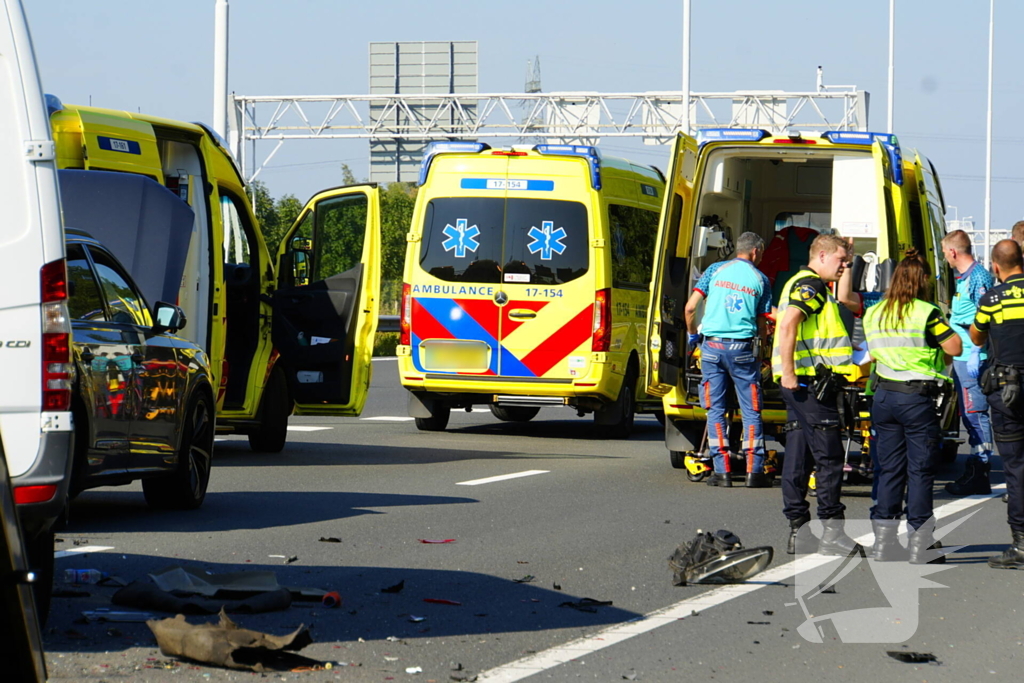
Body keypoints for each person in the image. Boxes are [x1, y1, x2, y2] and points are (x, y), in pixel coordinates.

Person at [863, 250, 961, 563]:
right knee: (920, 470)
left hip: (883, 397)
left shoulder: (875, 312)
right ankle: (921, 545)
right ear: (922, 282)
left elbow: (875, 352)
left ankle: (883, 543)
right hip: (916, 398)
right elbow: (954, 347)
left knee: (889, 470)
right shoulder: (926, 312)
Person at [772, 233, 863, 556]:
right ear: (822, 257)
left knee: (798, 455)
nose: (843, 266)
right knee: (830, 457)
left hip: (802, 385)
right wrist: (789, 372)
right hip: (808, 384)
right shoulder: (809, 287)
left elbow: (843, 296)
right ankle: (831, 531)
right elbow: (788, 325)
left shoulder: (807, 283)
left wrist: (848, 255)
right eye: (840, 261)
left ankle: (799, 529)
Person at [685, 232, 773, 488]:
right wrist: (763, 349)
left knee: (715, 410)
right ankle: (753, 472)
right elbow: (762, 321)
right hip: (743, 349)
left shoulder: (714, 270)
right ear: (755, 252)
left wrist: (693, 336)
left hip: (712, 347)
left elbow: (690, 308)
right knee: (751, 411)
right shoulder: (761, 279)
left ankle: (721, 472)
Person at [969, 240, 1024, 570]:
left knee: (1016, 468)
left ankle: (1021, 543)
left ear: (996, 267)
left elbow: (976, 336)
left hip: (1008, 391)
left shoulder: (992, 298)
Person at [941, 230, 995, 496]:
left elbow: (985, 318)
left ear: (952, 252)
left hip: (973, 359)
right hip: (962, 358)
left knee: (976, 415)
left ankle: (980, 471)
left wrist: (975, 350)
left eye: (944, 252)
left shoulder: (978, 278)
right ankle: (976, 467)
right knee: (969, 415)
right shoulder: (964, 279)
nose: (944, 257)